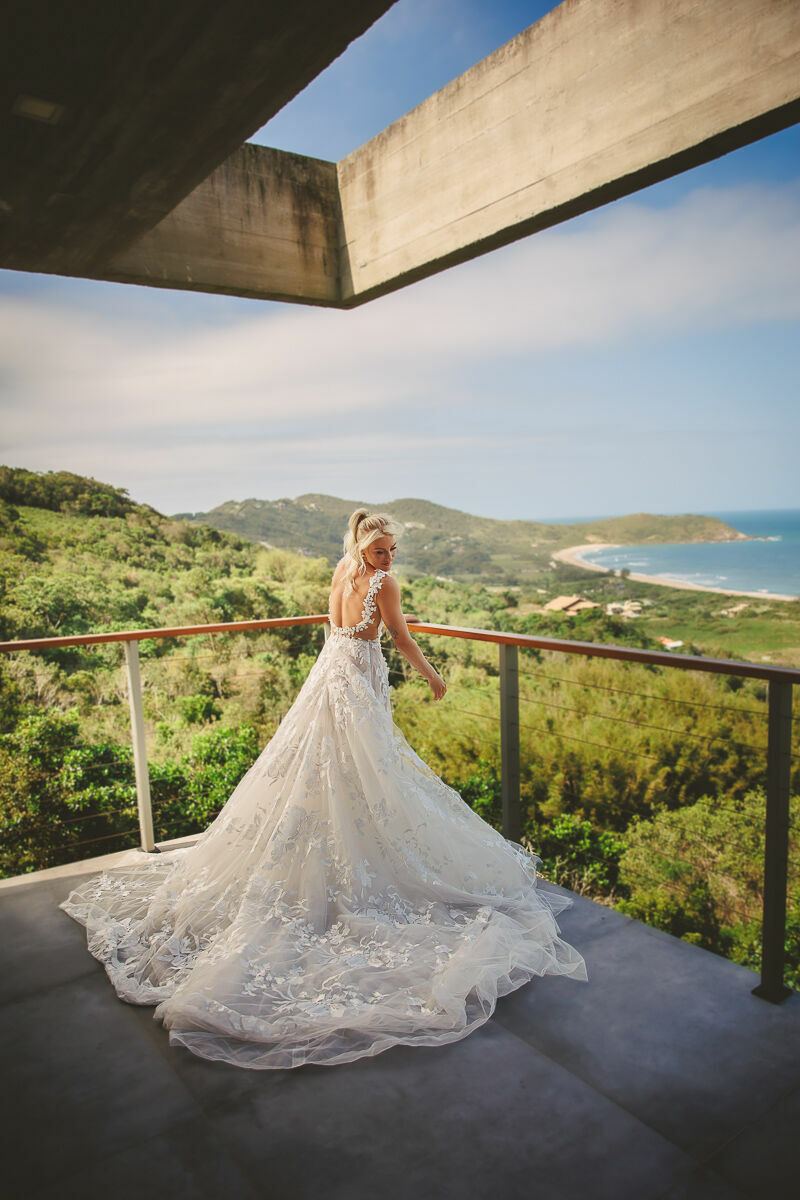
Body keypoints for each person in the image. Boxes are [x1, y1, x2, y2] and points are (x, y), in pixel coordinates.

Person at [60, 508, 587, 1070]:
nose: (387, 560)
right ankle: (360, 858)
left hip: (334, 675)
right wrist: (432, 674)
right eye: (381, 550)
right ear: (365, 549)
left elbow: (333, 628)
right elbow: (401, 638)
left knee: (336, 771)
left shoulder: (340, 569)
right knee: (369, 771)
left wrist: (350, 666)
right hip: (354, 679)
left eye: (391, 552)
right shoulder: (383, 584)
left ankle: (340, 853)